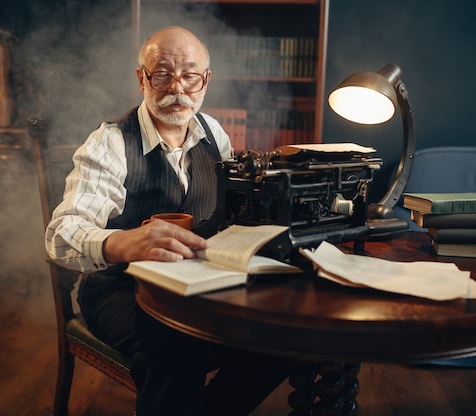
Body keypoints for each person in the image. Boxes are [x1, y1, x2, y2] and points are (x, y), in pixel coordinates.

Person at [45, 26, 292, 415]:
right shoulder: (110, 141)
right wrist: (122, 243)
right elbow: (61, 235)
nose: (177, 87)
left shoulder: (215, 134)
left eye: (189, 75)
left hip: (201, 283)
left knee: (285, 335)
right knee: (177, 347)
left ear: (205, 81)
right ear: (142, 78)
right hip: (120, 290)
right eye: (162, 74)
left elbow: (235, 213)